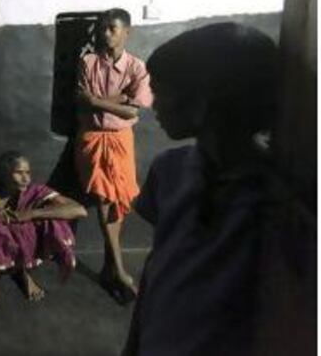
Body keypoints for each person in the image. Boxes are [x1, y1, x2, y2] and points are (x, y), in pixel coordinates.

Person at [123, 23, 313, 356]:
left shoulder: (278, 199)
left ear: (204, 101)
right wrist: (133, 344)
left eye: (163, 90)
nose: (154, 103)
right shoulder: (169, 170)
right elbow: (160, 267)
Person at [73, 8, 153, 304]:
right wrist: (119, 99)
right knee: (106, 201)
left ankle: (109, 267)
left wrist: (96, 100)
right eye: (102, 28)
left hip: (121, 141)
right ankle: (119, 270)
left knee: (119, 202)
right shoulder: (88, 63)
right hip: (93, 140)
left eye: (112, 28)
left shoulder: (136, 67)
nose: (105, 33)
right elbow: (84, 104)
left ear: (127, 32)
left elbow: (135, 109)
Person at [0, 151, 88, 304]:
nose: (26, 179)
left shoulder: (34, 191)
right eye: (19, 173)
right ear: (4, 174)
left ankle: (24, 271)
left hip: (19, 246)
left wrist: (32, 213)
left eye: (28, 173)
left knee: (50, 218)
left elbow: (79, 210)